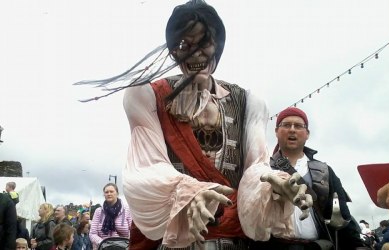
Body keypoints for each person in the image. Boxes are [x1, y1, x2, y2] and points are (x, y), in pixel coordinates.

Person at [77, 1, 315, 249]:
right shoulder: (146, 96)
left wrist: (271, 181)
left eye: (204, 43)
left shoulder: (248, 101)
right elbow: (146, 167)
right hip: (175, 241)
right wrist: (187, 192)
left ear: (218, 46)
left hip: (233, 239)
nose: (195, 53)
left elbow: (256, 166)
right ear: (173, 51)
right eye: (184, 45)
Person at [249, 107, 367, 249]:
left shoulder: (324, 171)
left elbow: (341, 214)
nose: (292, 130)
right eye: (286, 125)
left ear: (307, 134)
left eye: (298, 126)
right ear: (276, 131)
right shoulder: (262, 169)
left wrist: (357, 246)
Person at [89, 183, 131, 250]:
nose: (109, 194)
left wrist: (125, 244)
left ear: (117, 193)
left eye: (111, 191)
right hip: (102, 247)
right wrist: (104, 244)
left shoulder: (127, 210)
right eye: (106, 192)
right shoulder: (98, 211)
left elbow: (132, 231)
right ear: (104, 195)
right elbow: (92, 234)